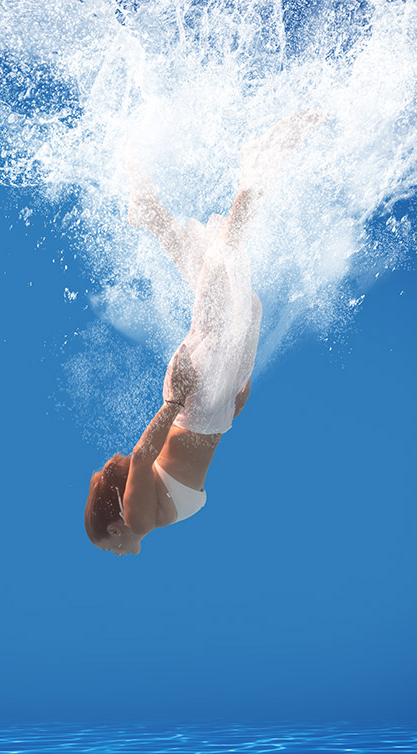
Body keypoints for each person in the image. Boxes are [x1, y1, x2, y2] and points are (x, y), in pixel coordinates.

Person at [85, 111, 325, 555]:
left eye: (108, 547)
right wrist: (234, 403)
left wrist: (176, 399)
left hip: (192, 405)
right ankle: (153, 216)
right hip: (214, 407)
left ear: (114, 528)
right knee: (231, 296)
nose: (116, 554)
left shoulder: (138, 521)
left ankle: (257, 169)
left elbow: (140, 456)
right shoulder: (150, 514)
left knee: (225, 272)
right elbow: (195, 458)